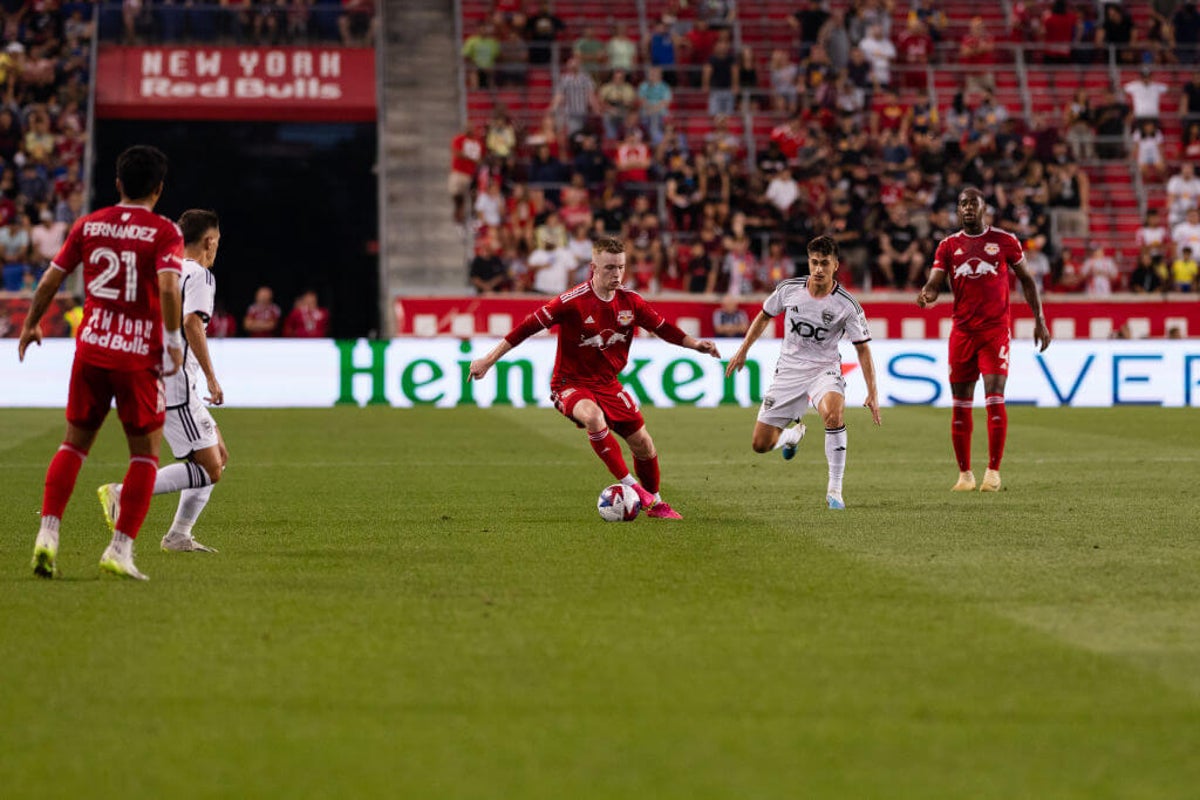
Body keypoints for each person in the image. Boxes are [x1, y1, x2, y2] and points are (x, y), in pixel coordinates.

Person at [18, 145, 185, 581]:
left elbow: (51, 278)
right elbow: (169, 290)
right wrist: (171, 340)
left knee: (73, 444)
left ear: (118, 184)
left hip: (91, 348)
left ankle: (47, 536)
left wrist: (31, 324)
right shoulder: (165, 231)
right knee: (145, 454)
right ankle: (119, 549)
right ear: (159, 189)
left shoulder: (89, 225)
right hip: (137, 357)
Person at [468, 236, 720, 519]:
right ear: (594, 267)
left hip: (608, 384)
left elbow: (663, 328)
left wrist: (695, 344)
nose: (616, 274)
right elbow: (525, 328)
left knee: (644, 445)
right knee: (592, 417)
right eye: (609, 267)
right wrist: (488, 360)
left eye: (621, 267)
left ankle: (657, 503)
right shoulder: (571, 302)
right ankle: (635, 489)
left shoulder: (631, 302)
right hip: (570, 383)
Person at [98, 209, 226, 555]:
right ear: (209, 241)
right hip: (175, 381)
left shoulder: (161, 269)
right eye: (217, 243)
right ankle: (123, 493)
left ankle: (178, 535)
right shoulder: (199, 274)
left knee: (219, 453)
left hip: (149, 372)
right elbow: (191, 324)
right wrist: (212, 378)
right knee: (209, 468)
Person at [724, 235, 881, 510]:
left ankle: (835, 490)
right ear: (809, 262)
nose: (818, 269)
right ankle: (790, 436)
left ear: (836, 266)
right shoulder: (789, 289)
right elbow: (764, 315)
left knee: (833, 414)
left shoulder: (847, 305)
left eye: (825, 263)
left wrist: (872, 391)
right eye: (814, 262)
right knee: (760, 444)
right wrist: (743, 349)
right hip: (789, 371)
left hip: (824, 369)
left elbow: (863, 349)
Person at [916, 187, 1051, 494]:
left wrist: (1040, 320)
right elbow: (936, 282)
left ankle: (993, 472)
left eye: (972, 204)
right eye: (962, 203)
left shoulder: (1004, 241)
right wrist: (927, 294)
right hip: (962, 332)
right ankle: (965, 475)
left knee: (994, 397)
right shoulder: (948, 246)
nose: (966, 209)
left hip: (994, 331)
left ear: (984, 209)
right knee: (960, 404)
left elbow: (1028, 281)